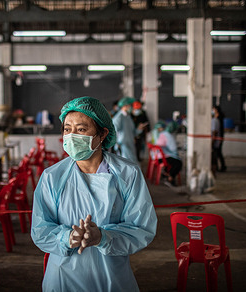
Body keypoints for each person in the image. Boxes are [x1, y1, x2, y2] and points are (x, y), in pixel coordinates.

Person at [31, 96, 157, 291]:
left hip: (111, 277)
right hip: (63, 277)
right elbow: (41, 230)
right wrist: (66, 238)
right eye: (67, 129)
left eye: (81, 129)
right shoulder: (52, 177)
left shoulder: (127, 174)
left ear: (102, 133)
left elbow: (141, 228)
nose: (72, 136)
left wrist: (103, 237)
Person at [112, 97, 147, 164]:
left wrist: (139, 129)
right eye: (130, 105)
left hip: (130, 145)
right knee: (127, 165)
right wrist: (117, 143)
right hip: (123, 145)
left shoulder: (128, 117)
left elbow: (133, 132)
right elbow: (113, 131)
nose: (131, 107)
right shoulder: (119, 117)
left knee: (132, 165)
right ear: (125, 106)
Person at [151, 120, 182, 186]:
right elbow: (173, 148)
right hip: (161, 158)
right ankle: (170, 178)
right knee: (178, 163)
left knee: (173, 160)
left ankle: (165, 174)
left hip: (156, 156)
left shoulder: (160, 134)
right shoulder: (167, 135)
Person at [211, 106, 227, 172]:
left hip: (217, 138)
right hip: (218, 138)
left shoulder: (216, 119)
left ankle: (220, 166)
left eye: (213, 109)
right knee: (217, 153)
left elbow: (216, 131)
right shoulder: (216, 119)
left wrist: (213, 140)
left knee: (217, 153)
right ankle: (218, 166)